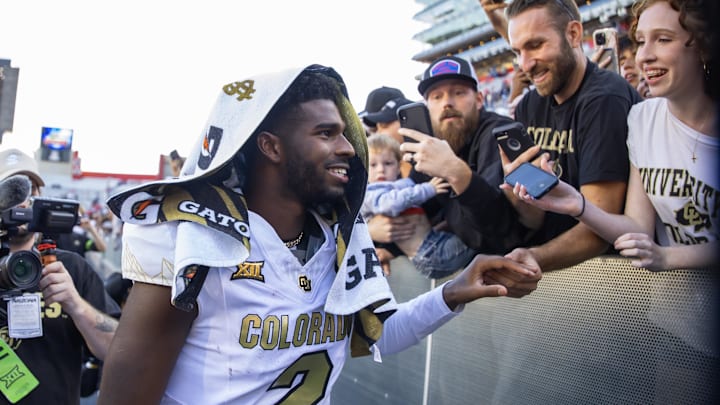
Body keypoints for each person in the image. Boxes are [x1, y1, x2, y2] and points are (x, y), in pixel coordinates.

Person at [96, 65, 541, 404]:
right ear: (271, 146)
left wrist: (455, 292)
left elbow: (374, 335)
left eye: (345, 134)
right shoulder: (195, 239)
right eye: (326, 134)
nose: (348, 147)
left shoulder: (338, 238)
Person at [507, 0, 718, 271]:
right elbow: (636, 227)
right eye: (640, 42)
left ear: (704, 44)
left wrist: (668, 257)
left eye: (663, 39)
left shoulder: (608, 98)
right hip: (673, 302)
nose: (643, 56)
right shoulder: (643, 119)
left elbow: (648, 247)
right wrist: (578, 205)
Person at [492, 0, 642, 272]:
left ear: (573, 34)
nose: (524, 65)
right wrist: (519, 192)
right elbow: (536, 219)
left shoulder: (605, 99)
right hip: (564, 275)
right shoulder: (530, 105)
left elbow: (599, 228)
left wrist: (535, 258)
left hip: (615, 277)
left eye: (535, 45)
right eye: (517, 51)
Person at [0, 148, 120, 405]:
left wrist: (76, 305)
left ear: (40, 198)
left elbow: (119, 352)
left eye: (30, 190)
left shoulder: (71, 268)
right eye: (12, 191)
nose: (22, 201)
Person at [397, 55, 531, 256]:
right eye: (436, 97)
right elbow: (420, 205)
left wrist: (456, 173)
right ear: (427, 108)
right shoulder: (433, 144)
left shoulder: (499, 133)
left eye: (458, 93)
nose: (447, 103)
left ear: (478, 100)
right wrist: (385, 242)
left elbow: (500, 232)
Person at [362, 133, 475, 278]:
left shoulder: (399, 185)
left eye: (388, 163)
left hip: (434, 240)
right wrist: (429, 189)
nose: (380, 169)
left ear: (398, 167)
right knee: (479, 235)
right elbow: (390, 203)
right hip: (430, 255)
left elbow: (410, 186)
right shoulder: (370, 193)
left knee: (476, 235)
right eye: (373, 165)